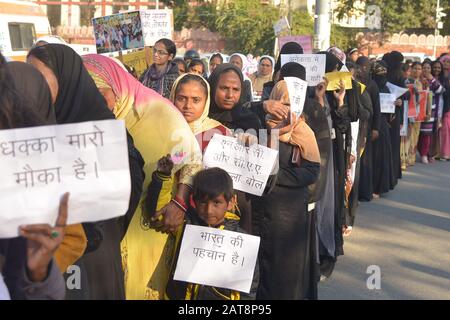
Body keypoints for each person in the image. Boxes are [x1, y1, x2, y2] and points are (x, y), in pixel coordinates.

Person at [27, 44, 146, 300]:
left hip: (93, 265)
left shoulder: (107, 136)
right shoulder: (26, 133)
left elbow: (124, 201)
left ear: (66, 80)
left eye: (39, 79)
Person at [82, 53, 202, 300]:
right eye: (88, 94)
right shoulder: (84, 121)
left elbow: (186, 155)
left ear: (116, 86)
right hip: (108, 226)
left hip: (150, 221)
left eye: (101, 93)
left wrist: (179, 202)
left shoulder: (157, 111)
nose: (96, 102)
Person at [144, 162, 259, 300]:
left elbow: (249, 290)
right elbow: (160, 214)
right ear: (194, 200)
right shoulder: (186, 224)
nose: (209, 210)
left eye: (216, 203)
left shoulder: (241, 242)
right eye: (203, 202)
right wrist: (162, 178)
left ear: (230, 203)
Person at [251, 74, 320, 299]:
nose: (287, 109)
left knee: (284, 270)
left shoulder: (304, 132)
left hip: (287, 215)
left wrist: (275, 177)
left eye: (293, 104)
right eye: (283, 102)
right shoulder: (256, 124)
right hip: (256, 210)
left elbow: (312, 171)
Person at [170, 73, 230, 152]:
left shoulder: (220, 133)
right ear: (173, 98)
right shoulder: (159, 128)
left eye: (196, 100)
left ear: (206, 102)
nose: (188, 106)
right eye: (181, 99)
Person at [356, 56, 381, 202]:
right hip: (354, 127)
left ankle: (365, 192)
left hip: (367, 127)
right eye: (360, 67)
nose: (362, 70)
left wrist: (375, 128)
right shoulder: (352, 83)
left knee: (365, 161)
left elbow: (376, 108)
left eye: (365, 67)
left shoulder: (372, 85)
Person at [371, 60, 396, 197]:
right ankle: (374, 186)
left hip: (381, 126)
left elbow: (390, 112)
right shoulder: (371, 86)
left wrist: (394, 106)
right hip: (375, 125)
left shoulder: (384, 88)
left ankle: (378, 187)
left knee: (380, 157)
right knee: (375, 157)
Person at [418, 60, 445, 163]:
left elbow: (441, 91)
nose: (426, 70)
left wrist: (432, 80)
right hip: (416, 110)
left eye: (428, 68)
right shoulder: (417, 79)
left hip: (430, 111)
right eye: (423, 68)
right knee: (417, 134)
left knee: (426, 133)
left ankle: (424, 154)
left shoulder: (433, 81)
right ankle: (418, 152)